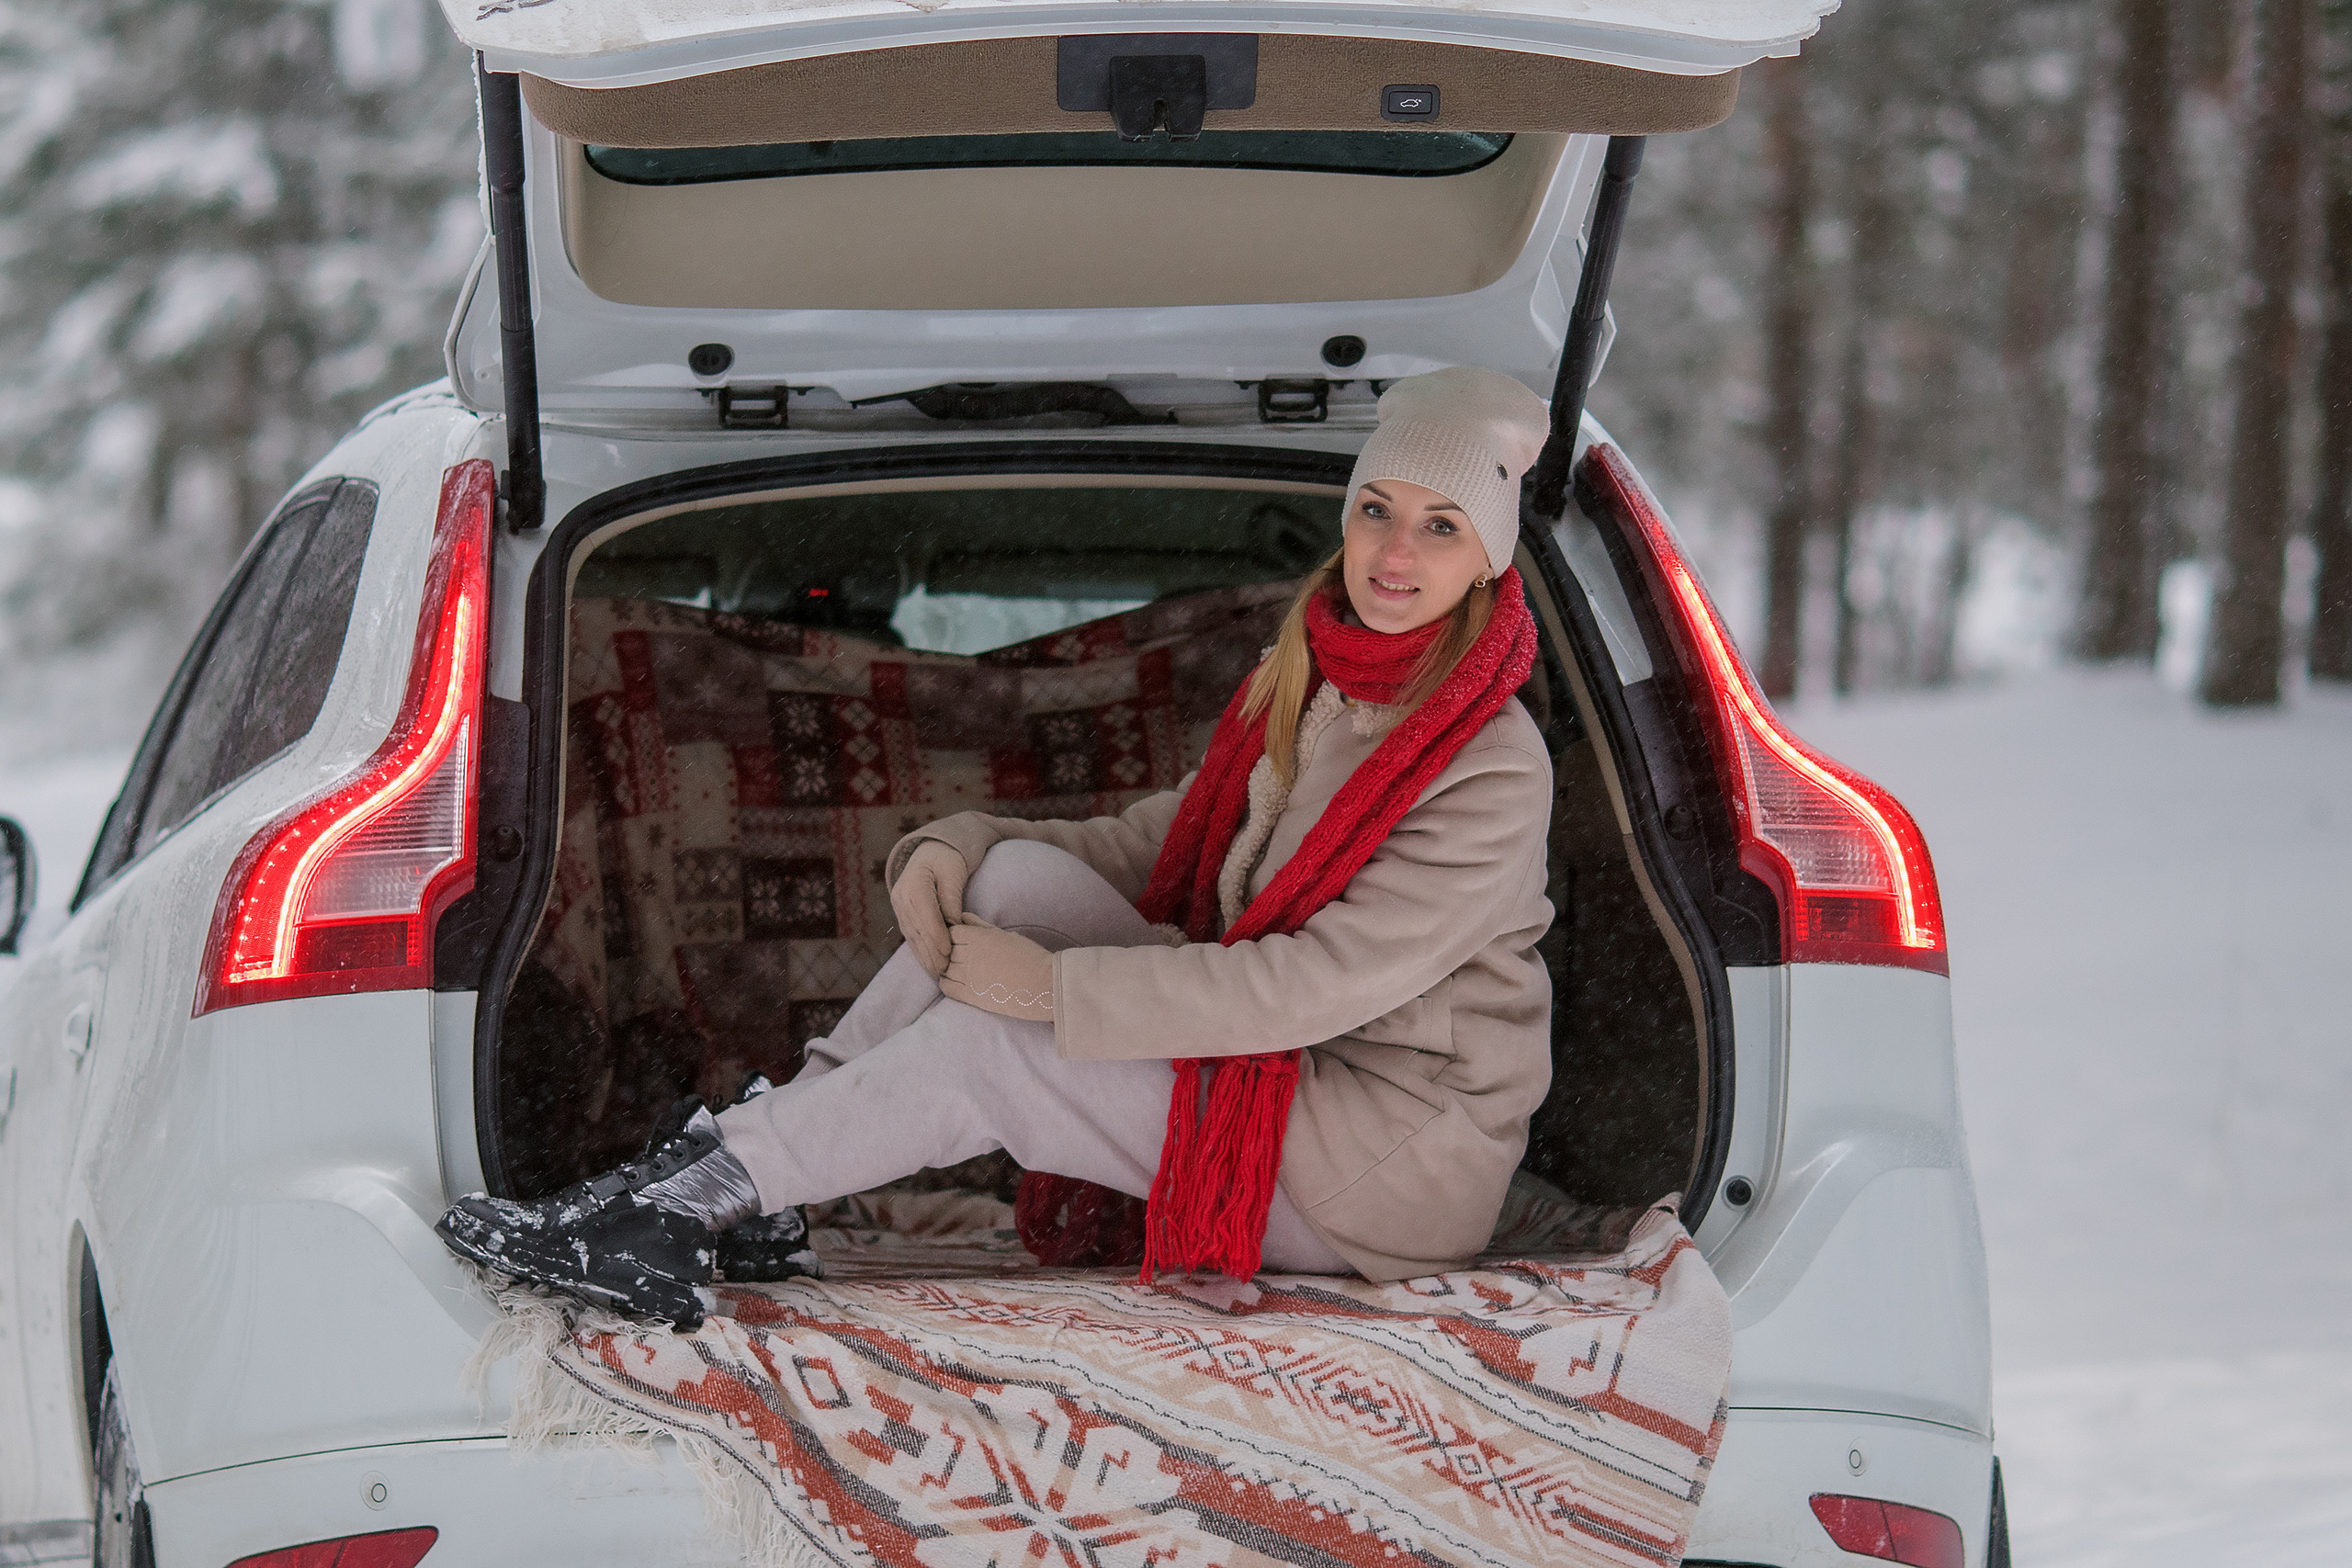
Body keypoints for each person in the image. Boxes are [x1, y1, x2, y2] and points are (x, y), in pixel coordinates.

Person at [436, 367, 1561, 1325]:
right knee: (1012, 879)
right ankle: (744, 1180)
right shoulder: (1314, 680)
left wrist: (1052, 993)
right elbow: (1158, 842)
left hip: (1384, 1160)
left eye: (1441, 525)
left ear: (1487, 557)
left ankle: (691, 1202)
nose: (1395, 551)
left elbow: (1312, 986)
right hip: (1281, 1084)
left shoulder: (1488, 764)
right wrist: (962, 845)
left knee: (995, 1047)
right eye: (1376, 510)